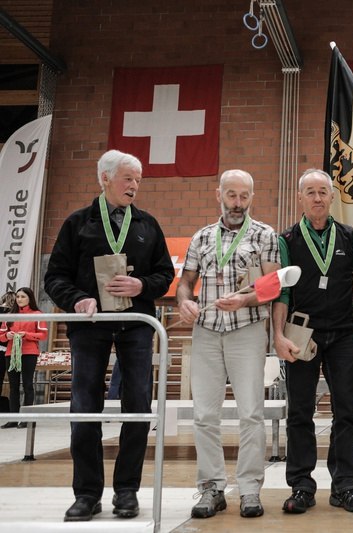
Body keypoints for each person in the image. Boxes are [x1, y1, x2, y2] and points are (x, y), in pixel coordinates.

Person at [44, 149, 175, 522]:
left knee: (138, 405)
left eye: (138, 180)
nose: (134, 186)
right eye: (128, 178)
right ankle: (86, 494)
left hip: (136, 323)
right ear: (105, 178)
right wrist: (78, 299)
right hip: (90, 325)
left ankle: (127, 491)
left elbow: (165, 274)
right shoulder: (77, 223)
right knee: (84, 406)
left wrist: (141, 285)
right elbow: (54, 277)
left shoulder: (147, 225)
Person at [177, 169, 280, 520]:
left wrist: (245, 300)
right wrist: (185, 302)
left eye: (244, 196)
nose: (237, 203)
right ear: (218, 194)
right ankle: (211, 488)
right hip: (206, 331)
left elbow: (273, 286)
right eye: (231, 195)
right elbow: (185, 282)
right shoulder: (201, 237)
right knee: (205, 415)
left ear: (252, 197)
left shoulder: (264, 234)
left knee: (251, 413)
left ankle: (249, 489)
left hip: (246, 330)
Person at [271, 168, 353, 514]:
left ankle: (344, 485)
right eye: (310, 192)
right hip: (302, 334)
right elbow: (282, 293)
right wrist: (278, 336)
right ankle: (301, 485)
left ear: (332, 197)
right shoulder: (286, 240)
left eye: (322, 192)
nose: (317, 198)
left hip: (344, 334)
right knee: (300, 411)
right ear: (300, 197)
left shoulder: (348, 235)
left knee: (347, 411)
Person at [1, 287, 47, 429]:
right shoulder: (10, 315)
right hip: (11, 353)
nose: (19, 299)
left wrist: (26, 334)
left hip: (29, 353)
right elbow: (1, 336)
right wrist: (6, 336)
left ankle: (27, 419)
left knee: (27, 385)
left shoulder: (37, 314)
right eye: (18, 297)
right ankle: (13, 419)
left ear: (29, 298)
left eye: (23, 297)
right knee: (13, 387)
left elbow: (43, 335)